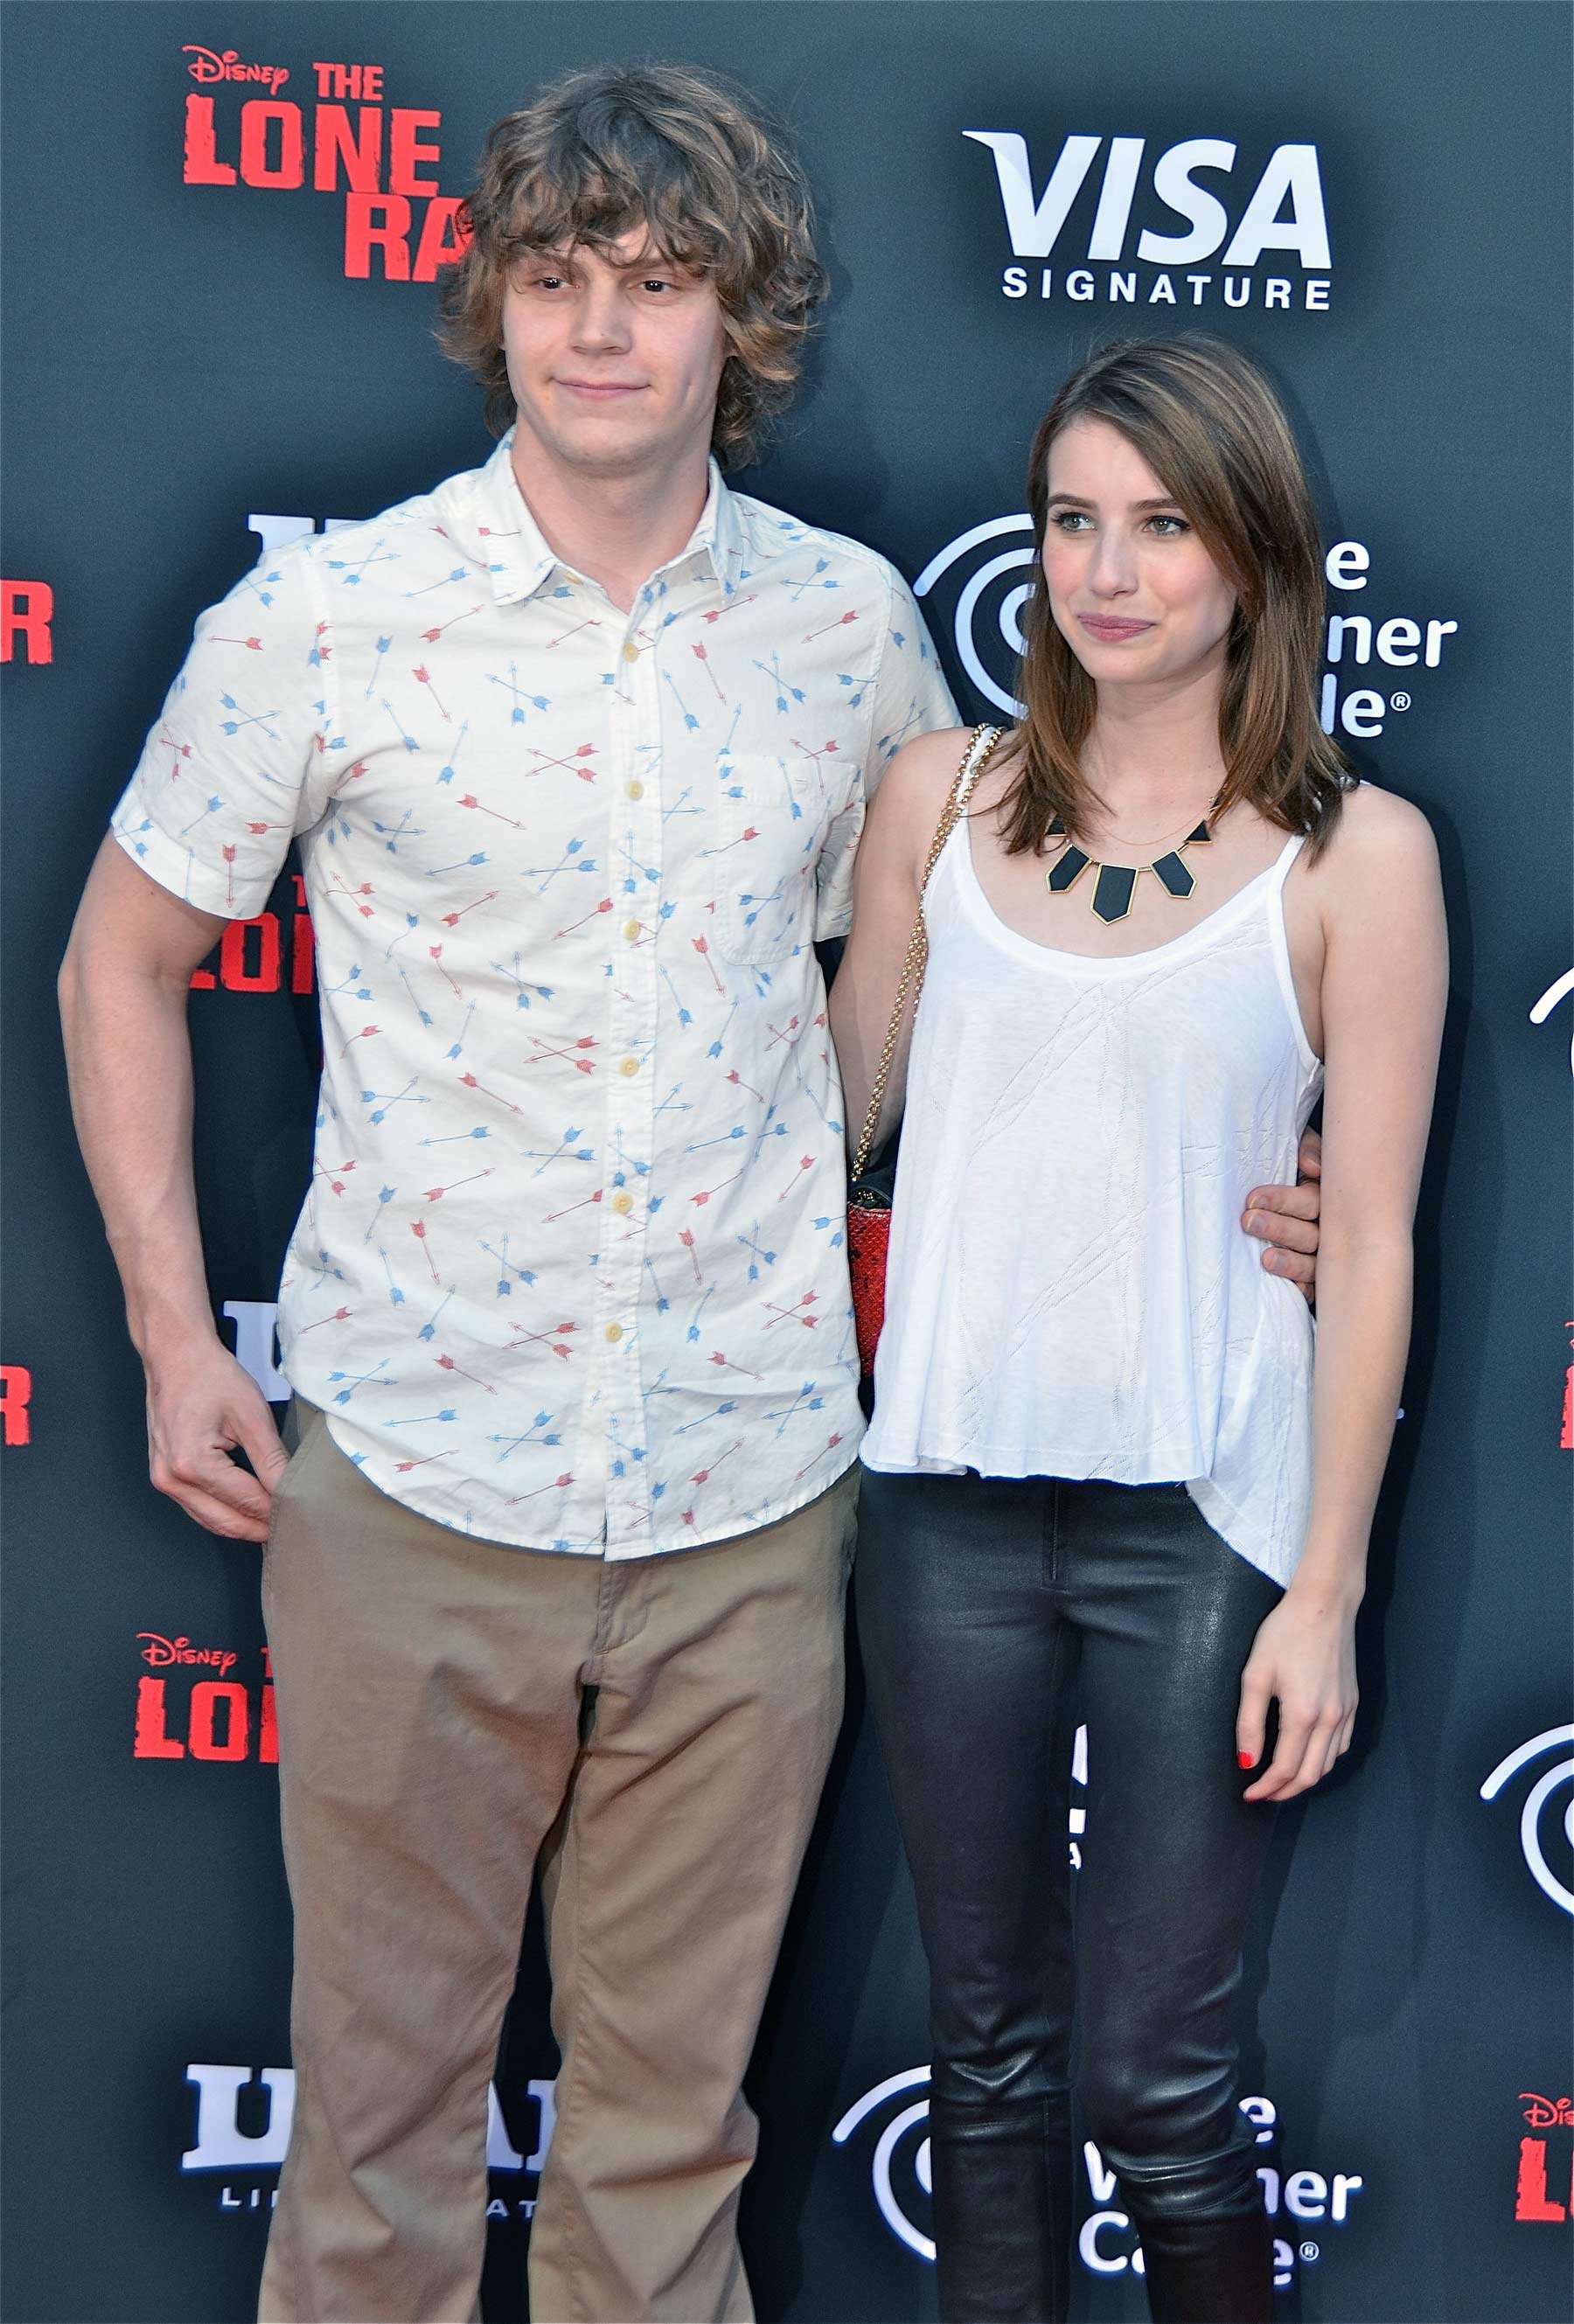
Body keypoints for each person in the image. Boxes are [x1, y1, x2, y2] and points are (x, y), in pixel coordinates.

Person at [57, 57, 1321, 2323]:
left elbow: (1015, 986)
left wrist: (1279, 1178)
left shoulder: (849, 641)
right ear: (493, 306)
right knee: (371, 2161)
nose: (603, 326)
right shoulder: (331, 623)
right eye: (557, 275)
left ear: (738, 312)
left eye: (656, 278)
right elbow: (118, 962)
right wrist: (168, 1327)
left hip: (751, 1510)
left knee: (666, 2162)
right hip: (416, 1487)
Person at [831, 333, 1445, 2324]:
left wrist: (1327, 1588)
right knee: (982, 2059)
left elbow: (1369, 1246)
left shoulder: (1361, 856)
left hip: (1200, 1520)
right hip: (940, 1511)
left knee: (1159, 2092)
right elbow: (846, 1120)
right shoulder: (939, 795)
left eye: (1163, 526)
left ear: (1253, 558)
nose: (1107, 570)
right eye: (1073, 521)